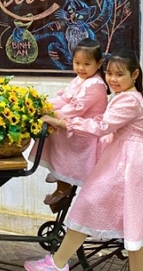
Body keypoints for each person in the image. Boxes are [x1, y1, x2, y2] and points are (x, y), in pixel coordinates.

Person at [25, 50, 143, 271]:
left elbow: (101, 127)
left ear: (135, 74)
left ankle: (57, 264)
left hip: (128, 163)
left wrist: (64, 123)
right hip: (123, 159)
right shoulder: (123, 97)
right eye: (109, 73)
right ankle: (57, 262)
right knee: (133, 227)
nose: (112, 79)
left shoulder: (128, 100)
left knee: (88, 205)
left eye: (119, 75)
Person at [28, 38, 108, 206]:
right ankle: (59, 174)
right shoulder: (80, 79)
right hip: (75, 124)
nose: (80, 68)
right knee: (52, 130)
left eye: (87, 64)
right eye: (77, 63)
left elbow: (75, 109)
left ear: (99, 63)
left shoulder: (96, 85)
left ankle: (63, 181)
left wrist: (53, 117)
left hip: (85, 133)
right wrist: (43, 107)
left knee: (56, 133)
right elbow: (64, 99)